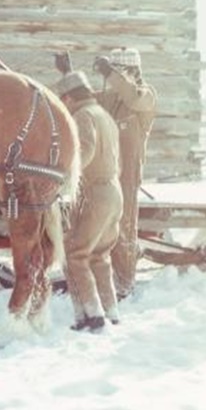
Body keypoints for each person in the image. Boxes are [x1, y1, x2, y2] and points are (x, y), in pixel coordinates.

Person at [52, 70, 123, 332]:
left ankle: (92, 315)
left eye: (62, 101)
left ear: (69, 98)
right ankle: (110, 311)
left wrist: (64, 179)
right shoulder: (105, 115)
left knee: (75, 253)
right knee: (99, 255)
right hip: (114, 190)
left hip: (95, 192)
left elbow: (86, 150)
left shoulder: (82, 116)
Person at [93, 47, 157, 299]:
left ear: (132, 71)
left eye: (119, 72)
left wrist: (109, 72)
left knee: (125, 226)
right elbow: (84, 100)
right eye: (113, 73)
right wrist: (69, 75)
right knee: (103, 226)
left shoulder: (146, 96)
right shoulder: (112, 99)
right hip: (106, 172)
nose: (113, 79)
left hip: (128, 173)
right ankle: (106, 278)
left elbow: (133, 97)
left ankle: (125, 281)